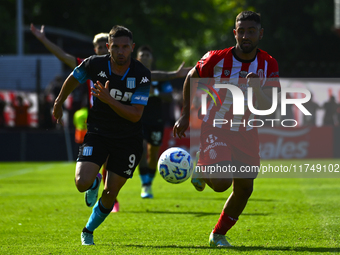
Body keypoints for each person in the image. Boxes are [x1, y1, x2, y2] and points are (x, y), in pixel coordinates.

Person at [173, 11, 280, 248]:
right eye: (241, 31)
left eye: (251, 31)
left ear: (260, 34)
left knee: (245, 188)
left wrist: (256, 89)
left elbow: (270, 105)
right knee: (221, 182)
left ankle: (218, 235)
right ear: (235, 33)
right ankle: (202, 165)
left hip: (246, 131)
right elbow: (191, 77)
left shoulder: (268, 63)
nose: (245, 36)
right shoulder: (216, 59)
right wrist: (184, 115)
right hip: (216, 126)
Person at [53, 25, 151, 245]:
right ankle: (94, 180)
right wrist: (59, 102)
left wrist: (109, 99)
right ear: (108, 47)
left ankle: (88, 230)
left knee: (110, 194)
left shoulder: (142, 75)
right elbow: (73, 76)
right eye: (115, 47)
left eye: (125, 47)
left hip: (128, 140)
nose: (120, 51)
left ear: (132, 48)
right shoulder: (94, 63)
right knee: (81, 182)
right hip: (98, 132)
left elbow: (135, 115)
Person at [31, 24, 119, 212]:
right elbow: (62, 56)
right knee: (104, 157)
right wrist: (43, 39)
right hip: (96, 121)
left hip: (119, 117)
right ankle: (97, 184)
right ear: (96, 49)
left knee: (111, 160)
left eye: (106, 46)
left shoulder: (121, 65)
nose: (104, 49)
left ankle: (110, 196)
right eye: (100, 47)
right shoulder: (90, 65)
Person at [136, 45, 191, 198]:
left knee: (153, 154)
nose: (145, 58)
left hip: (156, 120)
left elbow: (169, 97)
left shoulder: (160, 79)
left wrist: (155, 93)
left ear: (151, 59)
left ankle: (149, 182)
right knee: (140, 150)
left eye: (147, 55)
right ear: (138, 58)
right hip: (138, 120)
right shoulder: (133, 76)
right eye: (142, 55)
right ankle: (144, 184)